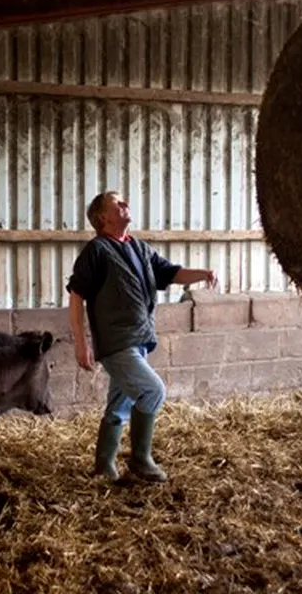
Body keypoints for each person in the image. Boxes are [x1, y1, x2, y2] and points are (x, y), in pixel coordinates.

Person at [66, 190, 217, 483]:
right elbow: (77, 295)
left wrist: (203, 273)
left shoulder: (138, 247)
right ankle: (140, 459)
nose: (125, 205)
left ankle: (104, 465)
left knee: (119, 404)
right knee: (152, 391)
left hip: (139, 338)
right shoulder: (96, 251)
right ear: (102, 218)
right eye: (117, 203)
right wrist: (81, 343)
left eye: (124, 201)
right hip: (116, 342)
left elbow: (170, 273)